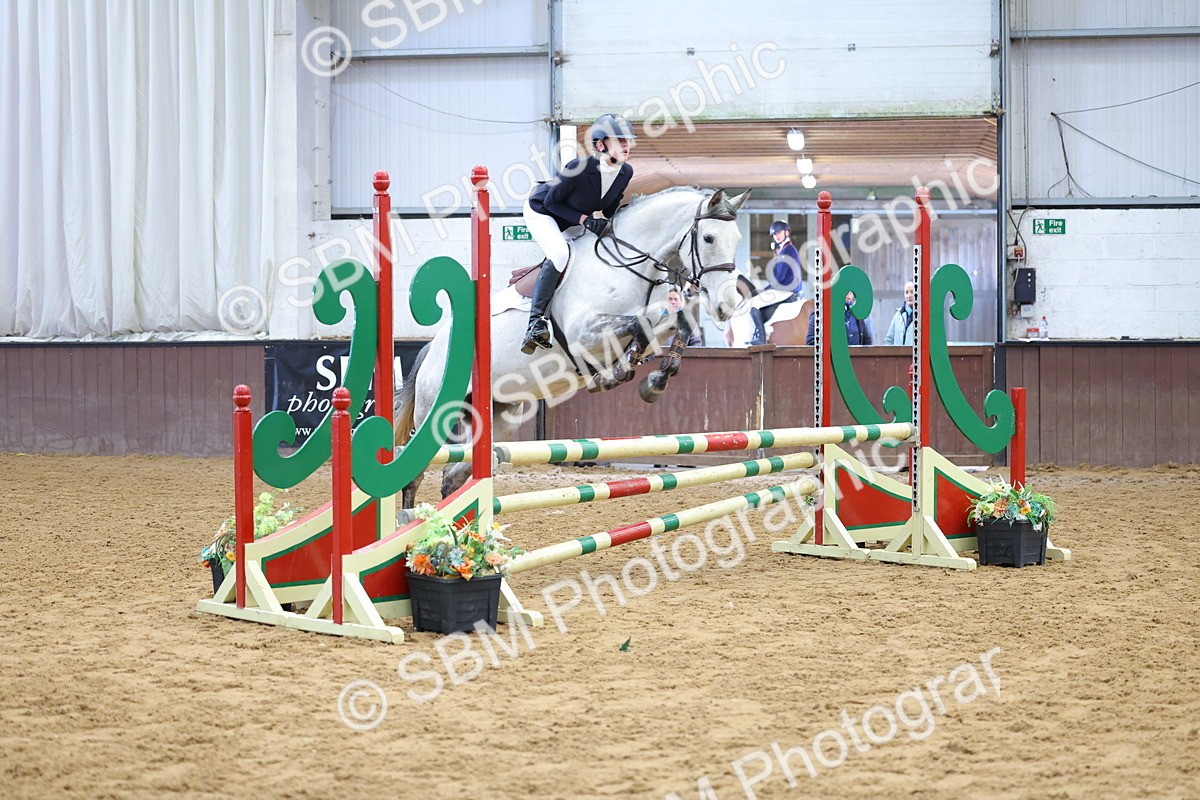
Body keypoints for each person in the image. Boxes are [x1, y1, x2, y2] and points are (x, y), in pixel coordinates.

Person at [520, 113, 637, 353]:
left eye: (628, 140)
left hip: (572, 217)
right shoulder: (579, 167)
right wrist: (585, 220)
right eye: (620, 140)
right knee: (560, 254)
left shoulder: (626, 172)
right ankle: (536, 323)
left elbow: (607, 208)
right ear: (601, 144)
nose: (627, 145)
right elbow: (552, 203)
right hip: (543, 211)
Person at [758, 220, 802, 326]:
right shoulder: (785, 249)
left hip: (788, 290)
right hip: (787, 288)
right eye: (774, 234)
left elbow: (780, 277)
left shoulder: (788, 250)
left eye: (779, 232)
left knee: (756, 305)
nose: (776, 236)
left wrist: (765, 289)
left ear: (786, 233)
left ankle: (759, 335)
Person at [805, 291, 875, 345]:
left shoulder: (857, 314)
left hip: (855, 361)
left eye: (851, 293)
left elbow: (867, 340)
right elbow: (811, 342)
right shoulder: (820, 314)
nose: (849, 297)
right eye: (846, 293)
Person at [883, 281, 915, 345]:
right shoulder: (897, 316)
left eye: (912, 292)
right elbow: (889, 340)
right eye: (906, 292)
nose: (909, 295)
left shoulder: (922, 316)